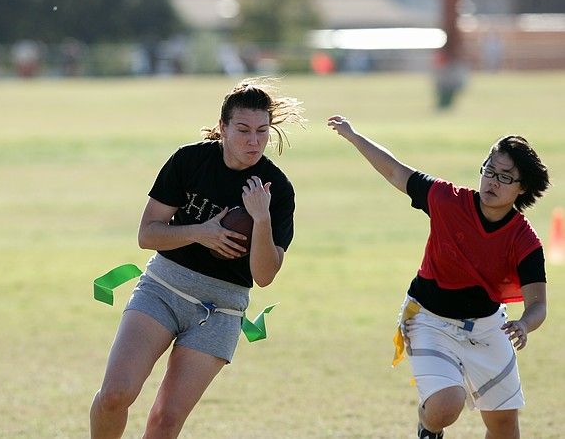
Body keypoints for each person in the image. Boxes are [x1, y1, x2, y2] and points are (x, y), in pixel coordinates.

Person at [90, 78, 306, 439]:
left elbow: (265, 276)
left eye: (262, 131)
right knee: (115, 394)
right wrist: (200, 231)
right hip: (162, 288)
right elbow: (147, 234)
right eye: (242, 130)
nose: (253, 141)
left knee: (166, 421)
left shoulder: (277, 189)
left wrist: (262, 217)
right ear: (222, 127)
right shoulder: (190, 160)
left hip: (221, 309)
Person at [327, 115, 549, 439]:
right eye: (489, 170)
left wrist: (524, 324)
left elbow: (539, 303)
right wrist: (353, 135)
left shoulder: (524, 239)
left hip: (488, 327)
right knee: (446, 405)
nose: (492, 182)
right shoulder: (448, 200)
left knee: (504, 429)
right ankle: (427, 426)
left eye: (504, 177)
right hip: (430, 319)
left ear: (522, 187)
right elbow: (395, 171)